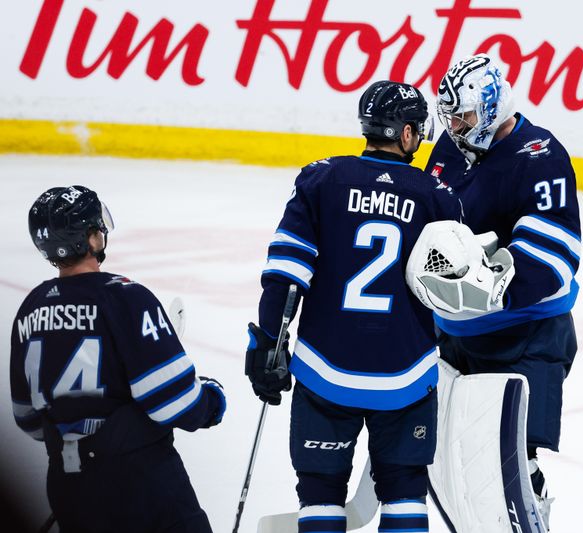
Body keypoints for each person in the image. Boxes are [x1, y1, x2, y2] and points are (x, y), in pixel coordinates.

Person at [245, 80, 462, 533]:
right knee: (404, 488)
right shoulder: (435, 196)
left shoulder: (321, 179)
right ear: (406, 134)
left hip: (325, 370)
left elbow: (287, 274)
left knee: (321, 490)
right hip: (405, 374)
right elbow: (454, 286)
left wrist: (268, 342)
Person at [423, 53, 581, 530]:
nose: (454, 125)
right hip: (454, 332)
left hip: (524, 335)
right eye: (448, 114)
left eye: (465, 115)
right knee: (454, 456)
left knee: (510, 461)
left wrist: (491, 285)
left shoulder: (541, 156)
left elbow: (557, 253)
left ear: (492, 107)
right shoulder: (451, 148)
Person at [10, 186, 226, 533]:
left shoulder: (30, 309)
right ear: (91, 238)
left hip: (68, 486)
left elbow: (27, 418)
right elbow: (176, 402)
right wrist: (212, 401)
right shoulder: (126, 297)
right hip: (139, 482)